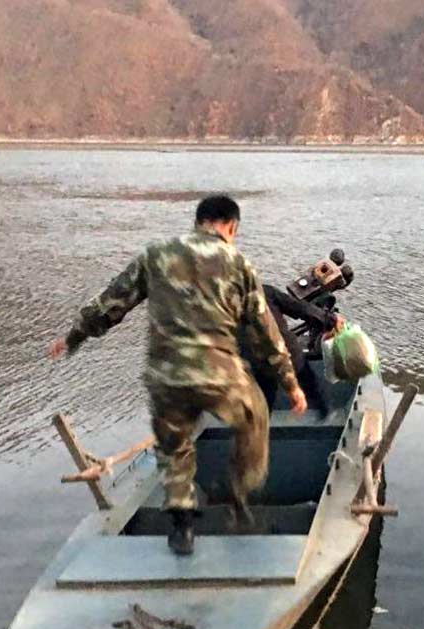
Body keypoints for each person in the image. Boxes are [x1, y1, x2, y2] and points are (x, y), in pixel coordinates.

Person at [48, 195, 307, 556]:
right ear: (231, 227)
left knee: (175, 446)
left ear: (198, 221)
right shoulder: (238, 263)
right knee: (255, 417)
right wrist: (292, 385)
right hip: (219, 376)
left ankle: (182, 527)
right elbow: (268, 335)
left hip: (166, 377)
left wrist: (72, 338)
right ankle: (237, 497)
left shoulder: (155, 255)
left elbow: (109, 305)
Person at [252, 283, 344, 413]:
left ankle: (262, 421)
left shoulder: (226, 304)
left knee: (265, 396)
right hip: (287, 351)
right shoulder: (266, 291)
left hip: (258, 360)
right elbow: (300, 308)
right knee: (307, 379)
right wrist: (330, 320)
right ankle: (324, 410)